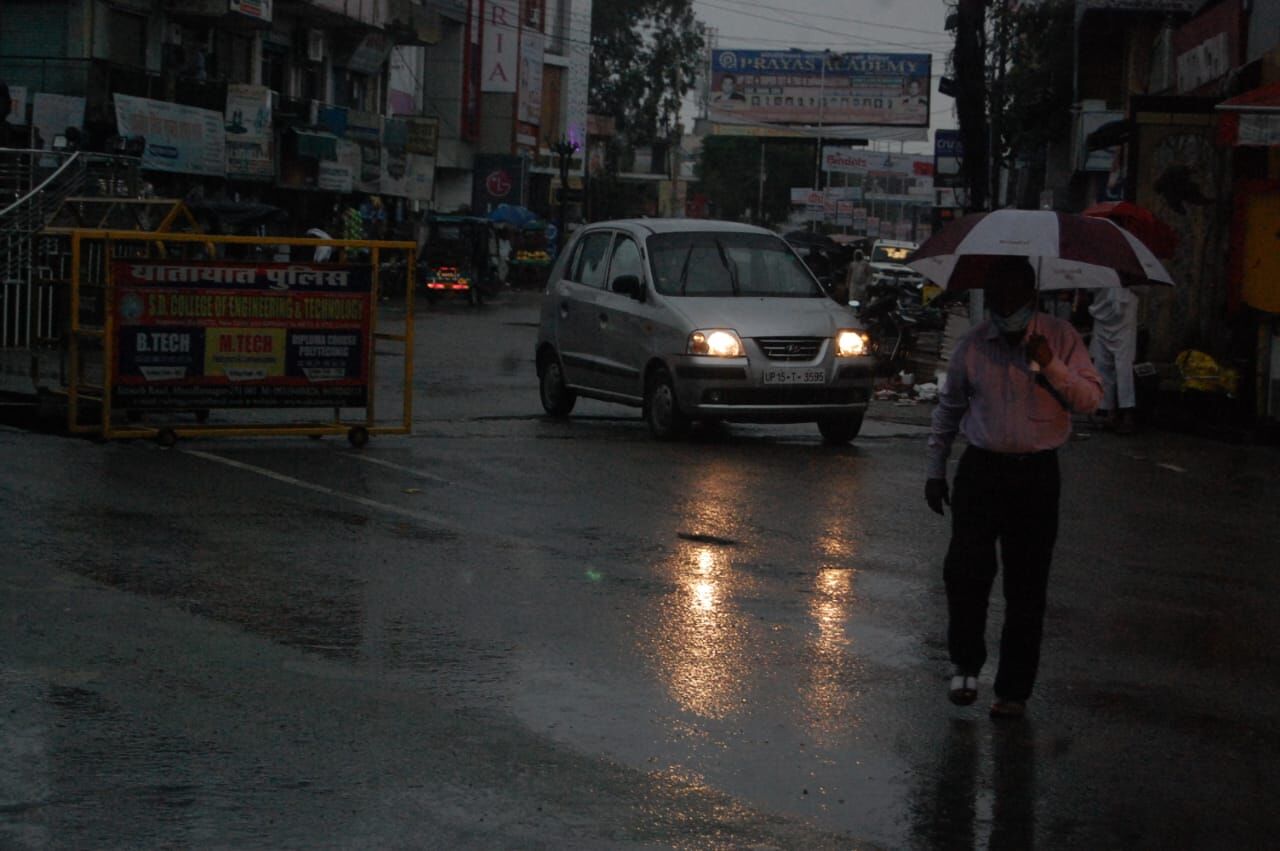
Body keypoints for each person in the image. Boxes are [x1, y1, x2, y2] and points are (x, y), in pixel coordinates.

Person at [925, 256, 1102, 720]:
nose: (1005, 308)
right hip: (981, 472)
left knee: (1027, 588)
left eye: (1013, 297)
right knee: (965, 573)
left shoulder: (1061, 339)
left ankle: (1013, 691)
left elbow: (1090, 400)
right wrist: (935, 469)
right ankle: (965, 665)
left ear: (1031, 296)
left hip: (1036, 476)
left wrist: (1051, 366)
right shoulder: (972, 346)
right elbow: (947, 411)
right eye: (996, 298)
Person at [1087, 286, 1140, 434]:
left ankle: (1127, 415)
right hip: (1103, 309)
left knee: (1124, 368)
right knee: (1103, 365)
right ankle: (1109, 412)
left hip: (1123, 311)